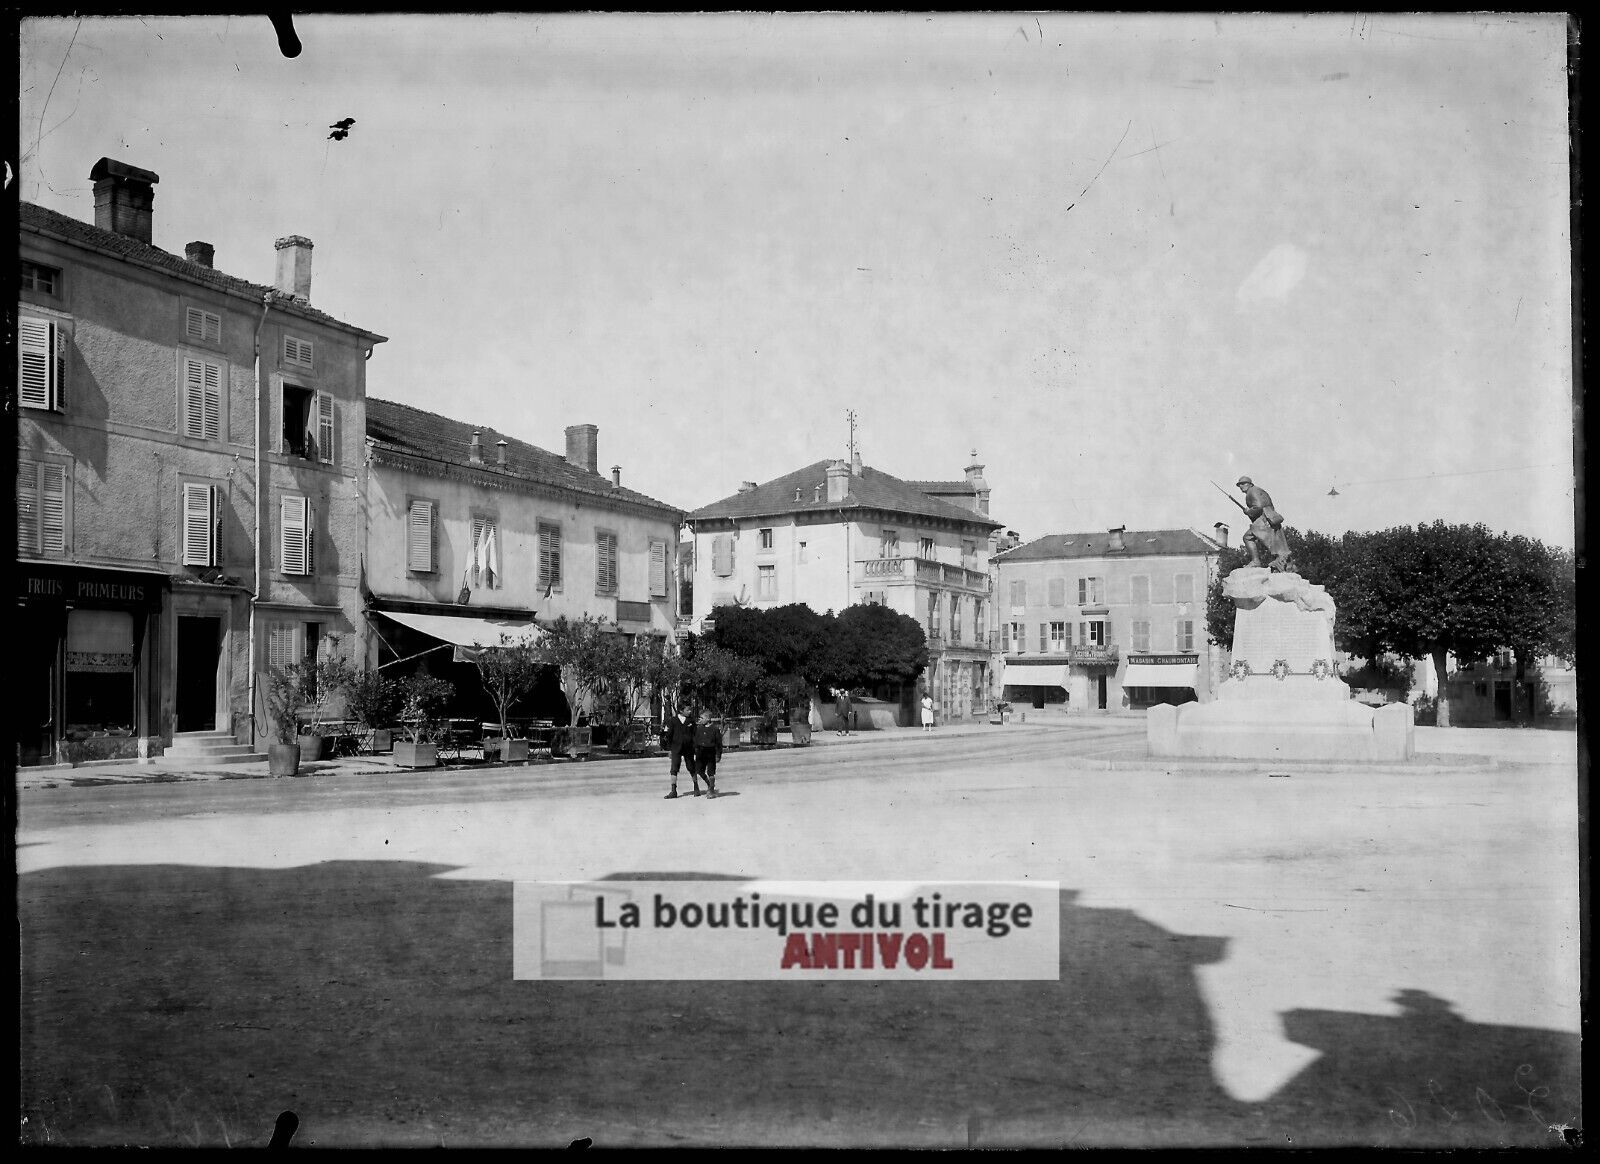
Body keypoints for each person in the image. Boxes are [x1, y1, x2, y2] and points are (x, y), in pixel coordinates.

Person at [1235, 476, 1293, 572]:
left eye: (1243, 483)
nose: (1241, 486)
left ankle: (1256, 561)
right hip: (1271, 518)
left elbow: (1258, 507)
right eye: (1240, 485)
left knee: (1247, 537)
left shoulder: (1251, 492)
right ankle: (1281, 564)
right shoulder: (1259, 490)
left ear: (1250, 484)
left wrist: (1248, 511)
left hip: (1264, 519)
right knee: (1277, 545)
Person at [661, 705, 702, 799]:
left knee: (691, 767)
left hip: (689, 748)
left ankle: (696, 787)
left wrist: (696, 747)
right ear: (681, 711)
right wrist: (669, 749)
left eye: (690, 709)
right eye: (688, 710)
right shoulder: (673, 721)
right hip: (676, 748)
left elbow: (695, 735)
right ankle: (673, 790)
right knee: (674, 768)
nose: (690, 711)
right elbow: (669, 735)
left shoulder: (691, 721)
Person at [692, 714, 723, 797]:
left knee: (711, 772)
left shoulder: (715, 729)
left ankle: (711, 790)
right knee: (698, 770)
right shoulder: (699, 729)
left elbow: (719, 743)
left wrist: (718, 755)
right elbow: (695, 740)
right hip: (700, 753)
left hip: (711, 753)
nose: (700, 720)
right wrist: (695, 750)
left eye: (702, 718)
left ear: (708, 719)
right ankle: (709, 783)